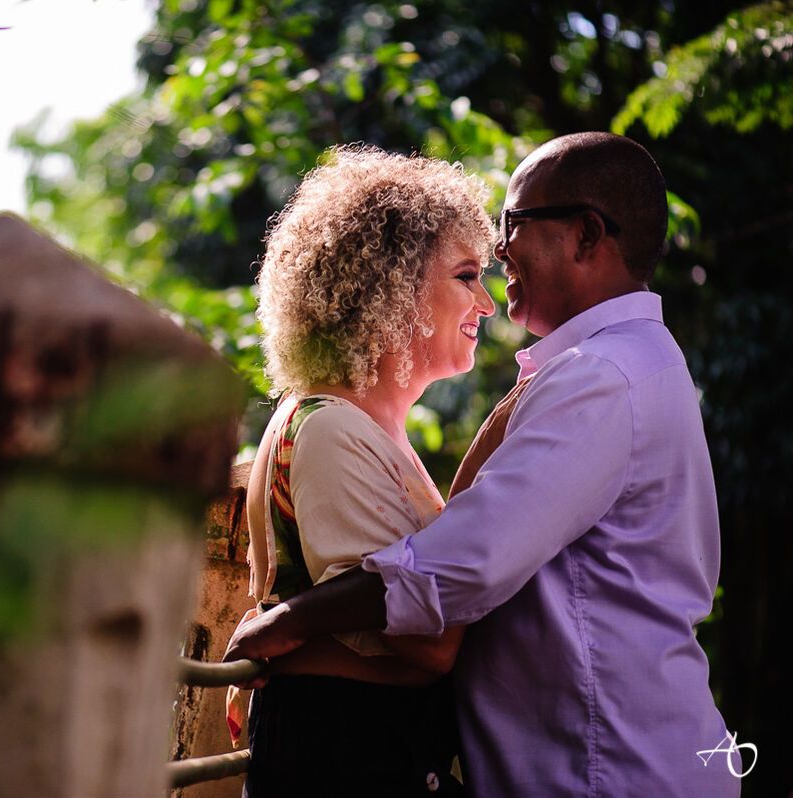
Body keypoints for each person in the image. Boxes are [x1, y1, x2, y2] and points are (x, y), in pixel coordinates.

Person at [226, 132, 743, 797]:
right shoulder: (608, 369)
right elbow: (456, 567)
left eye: (512, 227)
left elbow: (451, 576)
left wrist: (289, 623)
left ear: (586, 236)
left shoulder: (600, 377)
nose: (500, 263)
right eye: (470, 269)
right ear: (393, 289)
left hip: (606, 767)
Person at [234, 144, 495, 797]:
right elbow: (428, 643)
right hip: (348, 754)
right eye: (466, 275)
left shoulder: (365, 429)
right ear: (393, 287)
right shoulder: (331, 429)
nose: (486, 304)